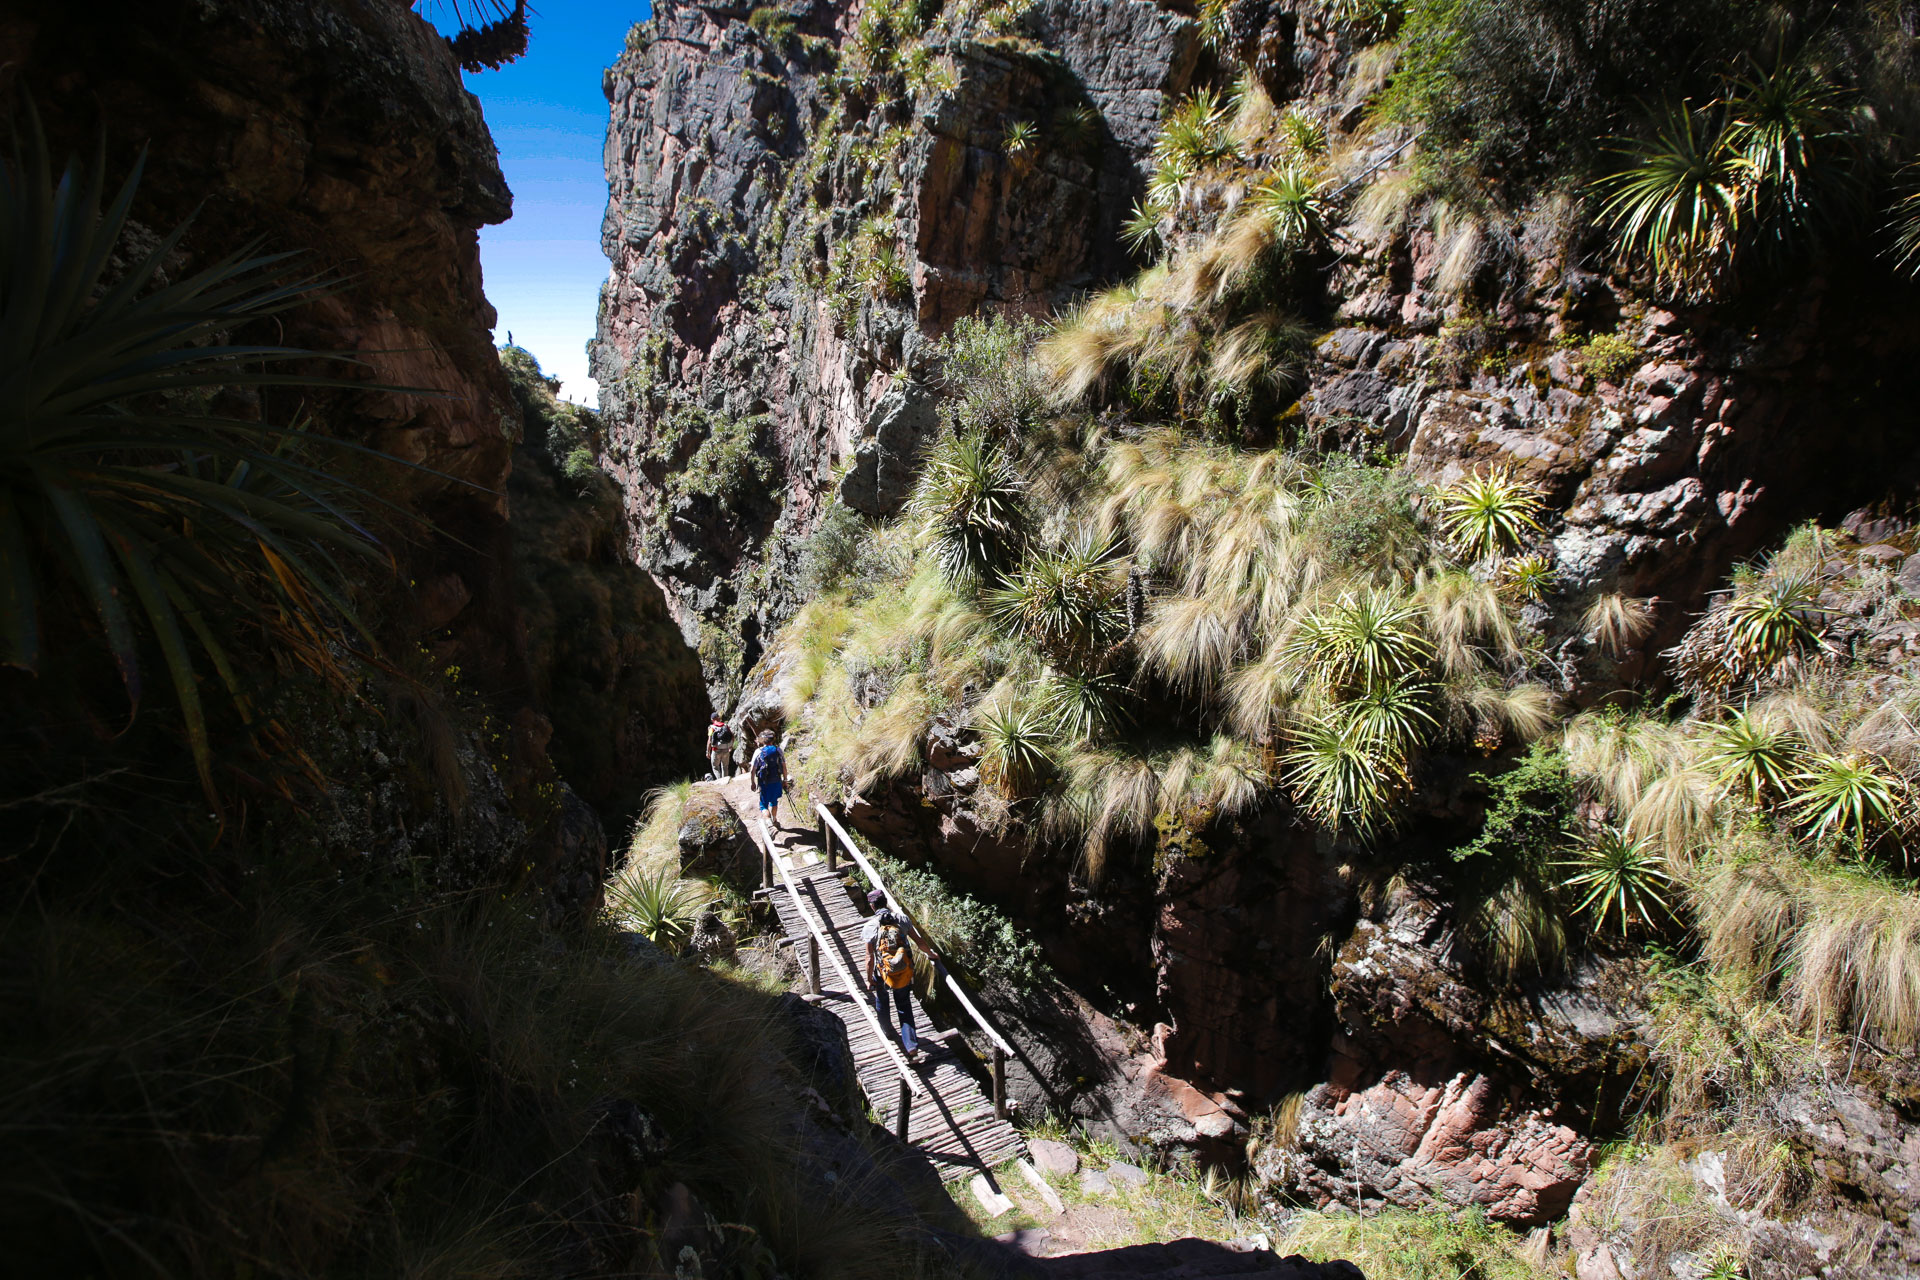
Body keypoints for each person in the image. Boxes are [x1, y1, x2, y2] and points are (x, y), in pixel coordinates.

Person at [862, 888, 921, 1061]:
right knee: (904, 1006)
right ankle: (911, 1048)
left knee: (882, 999)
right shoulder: (902, 919)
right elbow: (919, 941)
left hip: (883, 972)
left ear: (872, 906)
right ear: (886, 901)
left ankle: (887, 1031)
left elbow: (869, 957)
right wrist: (931, 954)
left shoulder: (870, 927)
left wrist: (869, 980)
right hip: (903, 971)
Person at [748, 729, 789, 827]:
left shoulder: (758, 751)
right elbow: (784, 767)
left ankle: (769, 823)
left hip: (764, 782)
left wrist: (753, 782)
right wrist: (785, 780)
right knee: (774, 801)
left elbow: (752, 769)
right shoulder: (778, 750)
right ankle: (774, 820)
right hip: (776, 780)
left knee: (763, 805)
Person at [705, 712, 734, 780]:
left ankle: (719, 780)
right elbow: (732, 737)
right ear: (718, 718)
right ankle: (725, 780)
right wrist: (731, 746)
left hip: (716, 750)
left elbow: (709, 740)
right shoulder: (726, 726)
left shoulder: (711, 728)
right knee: (725, 766)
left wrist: (707, 751)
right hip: (726, 749)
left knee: (715, 767)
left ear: (712, 719)